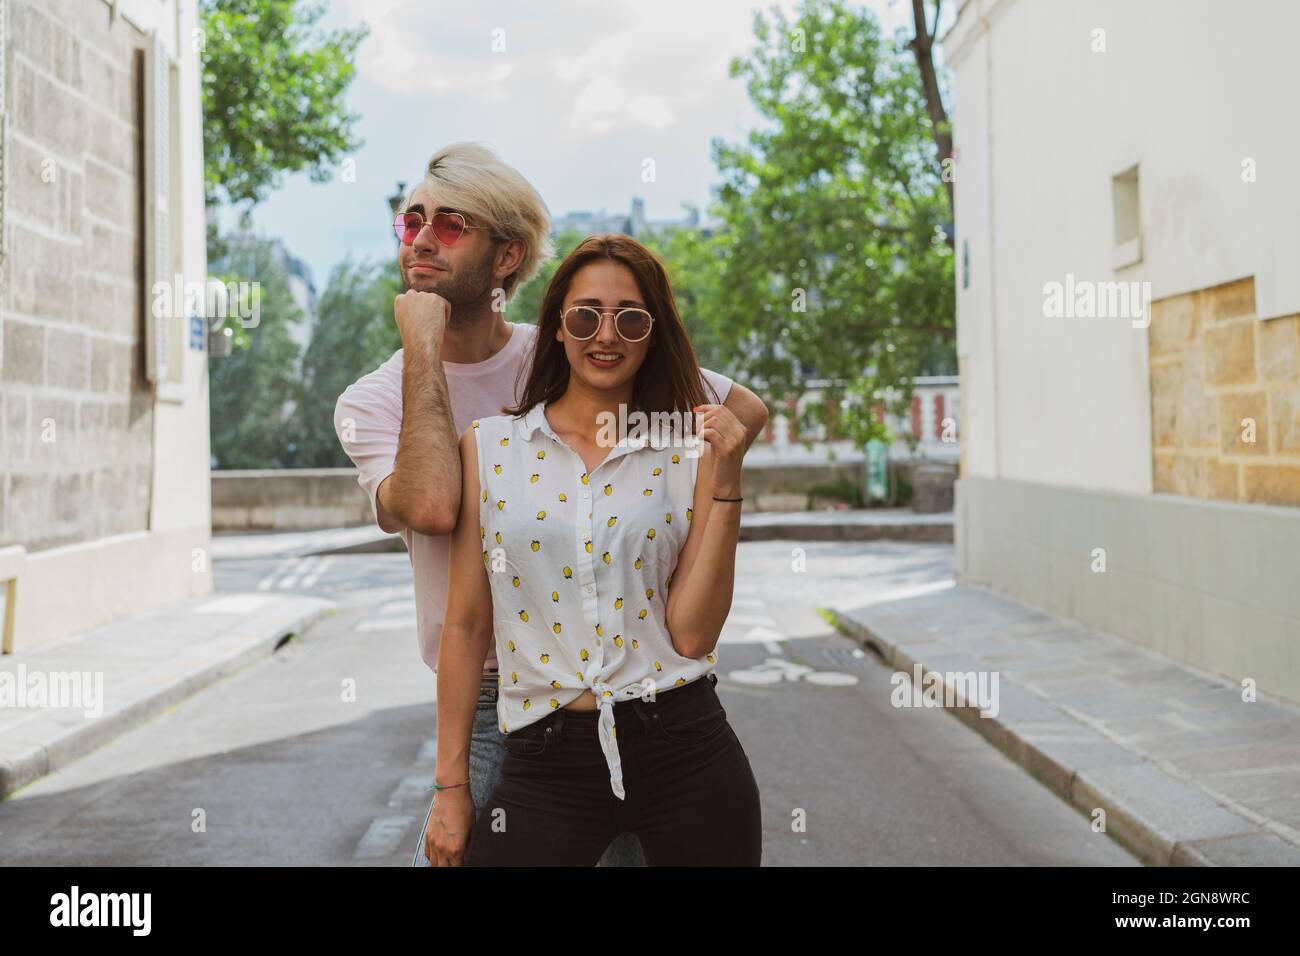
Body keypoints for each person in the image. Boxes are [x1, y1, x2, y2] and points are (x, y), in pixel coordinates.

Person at [332, 143, 769, 867]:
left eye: (451, 225)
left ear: (508, 256)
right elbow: (436, 505)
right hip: (490, 700)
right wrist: (422, 347)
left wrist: (681, 477)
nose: (423, 240)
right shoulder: (374, 399)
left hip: (638, 692)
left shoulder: (578, 346)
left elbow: (740, 409)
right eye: (412, 223)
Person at [427, 235, 763, 867]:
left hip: (684, 748)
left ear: (651, 332)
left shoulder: (685, 449)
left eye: (630, 318)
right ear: (557, 326)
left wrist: (726, 483)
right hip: (543, 758)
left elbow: (691, 635)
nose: (606, 334)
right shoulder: (492, 448)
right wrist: (450, 789)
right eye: (586, 315)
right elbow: (468, 624)